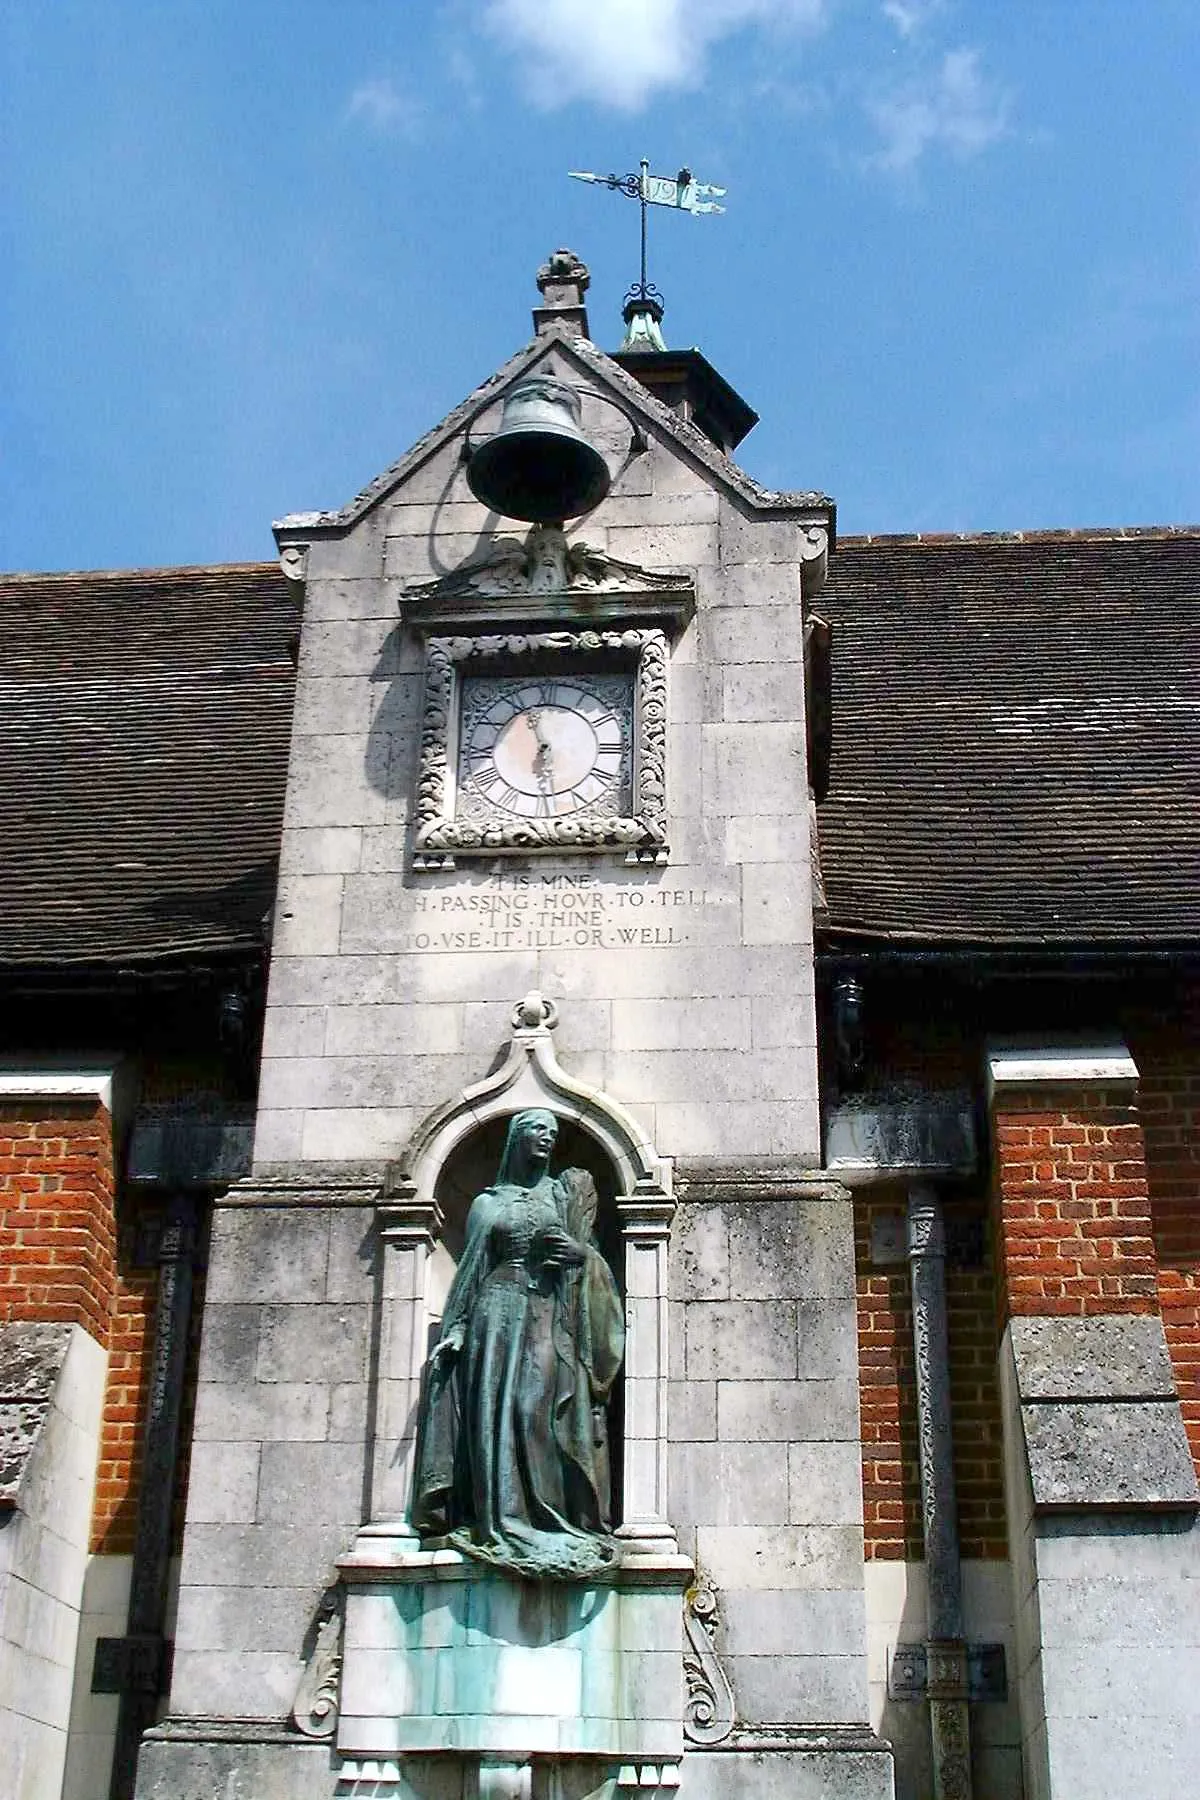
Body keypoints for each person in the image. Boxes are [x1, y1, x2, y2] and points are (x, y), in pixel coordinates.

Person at [411, 1109, 624, 1579]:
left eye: (552, 1132)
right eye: (536, 1131)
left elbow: (590, 1257)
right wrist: (458, 1330)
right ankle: (501, 1520)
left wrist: (582, 1256)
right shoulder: (488, 1204)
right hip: (495, 1314)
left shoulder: (563, 1194)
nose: (546, 1139)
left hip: (549, 1315)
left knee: (537, 1408)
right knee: (497, 1415)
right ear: (516, 1139)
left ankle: (552, 1518)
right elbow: (469, 1274)